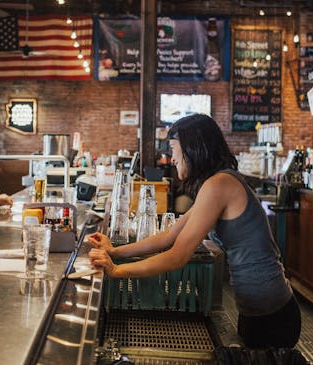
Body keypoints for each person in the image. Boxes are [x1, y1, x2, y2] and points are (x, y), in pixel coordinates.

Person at [89, 114, 301, 349]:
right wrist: (115, 251)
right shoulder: (216, 184)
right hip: (257, 309)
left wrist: (117, 270)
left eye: (173, 149)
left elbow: (177, 255)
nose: (171, 158)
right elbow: (169, 237)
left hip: (272, 314)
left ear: (193, 148)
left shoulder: (219, 185)